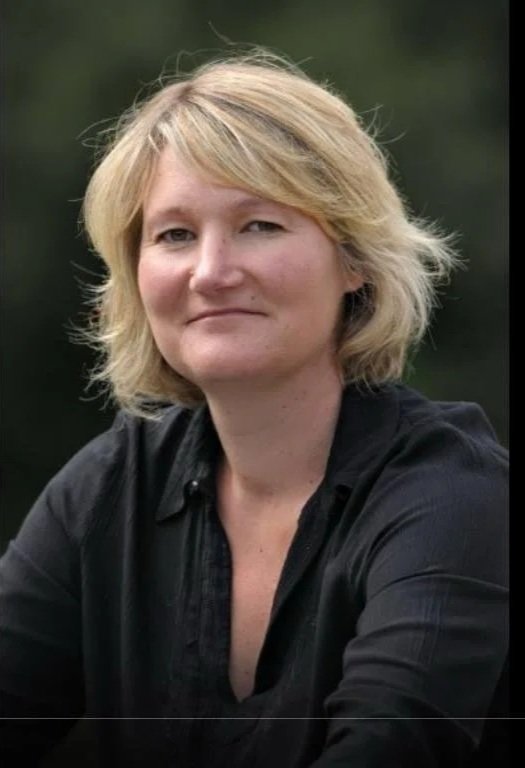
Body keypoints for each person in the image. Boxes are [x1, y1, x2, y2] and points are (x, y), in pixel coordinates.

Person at [0, 49, 508, 767]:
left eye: (260, 225)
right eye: (174, 235)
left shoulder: (450, 493)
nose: (211, 272)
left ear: (353, 259)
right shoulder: (111, 487)